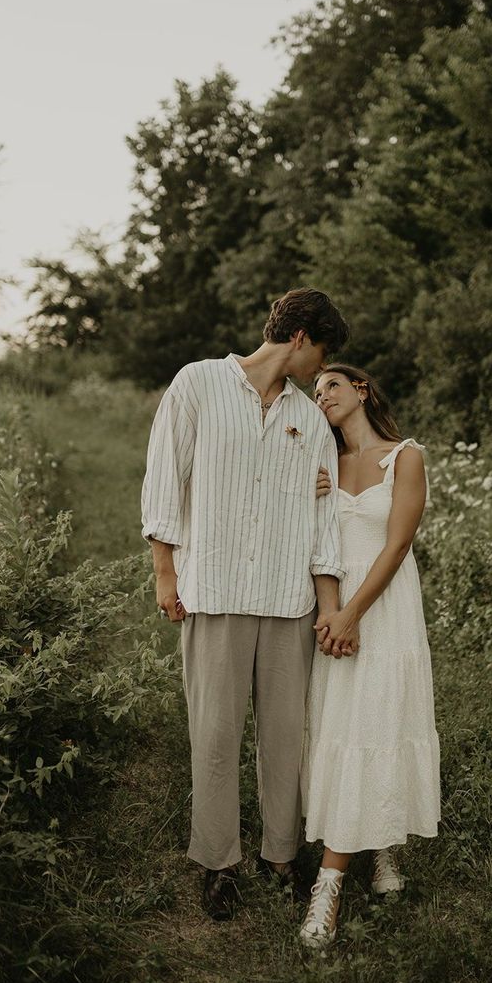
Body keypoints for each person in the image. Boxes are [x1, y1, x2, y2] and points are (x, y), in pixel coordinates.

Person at [141, 288, 350, 921]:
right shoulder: (198, 384)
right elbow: (164, 477)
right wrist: (164, 572)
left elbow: (323, 521)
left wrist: (326, 601)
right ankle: (217, 862)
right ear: (300, 338)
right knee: (215, 734)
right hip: (216, 589)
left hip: (287, 599)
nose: (320, 369)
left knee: (286, 739)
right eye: (322, 352)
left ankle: (279, 855)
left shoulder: (309, 419)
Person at [298, 363, 442, 948]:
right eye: (315, 391)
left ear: (361, 390)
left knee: (382, 719)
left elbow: (399, 541)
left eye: (331, 384)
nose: (322, 396)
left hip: (385, 606)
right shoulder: (322, 465)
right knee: (346, 725)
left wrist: (354, 613)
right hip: (336, 607)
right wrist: (331, 615)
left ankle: (334, 879)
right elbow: (318, 542)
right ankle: (362, 853)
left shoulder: (404, 456)